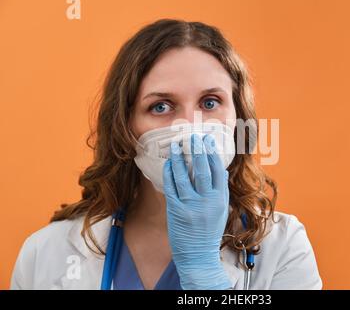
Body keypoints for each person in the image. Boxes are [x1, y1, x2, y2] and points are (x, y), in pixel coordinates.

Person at [10, 19, 322, 290]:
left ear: (239, 119)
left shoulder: (283, 246)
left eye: (210, 103)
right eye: (161, 106)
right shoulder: (46, 253)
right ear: (125, 128)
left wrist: (203, 271)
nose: (189, 126)